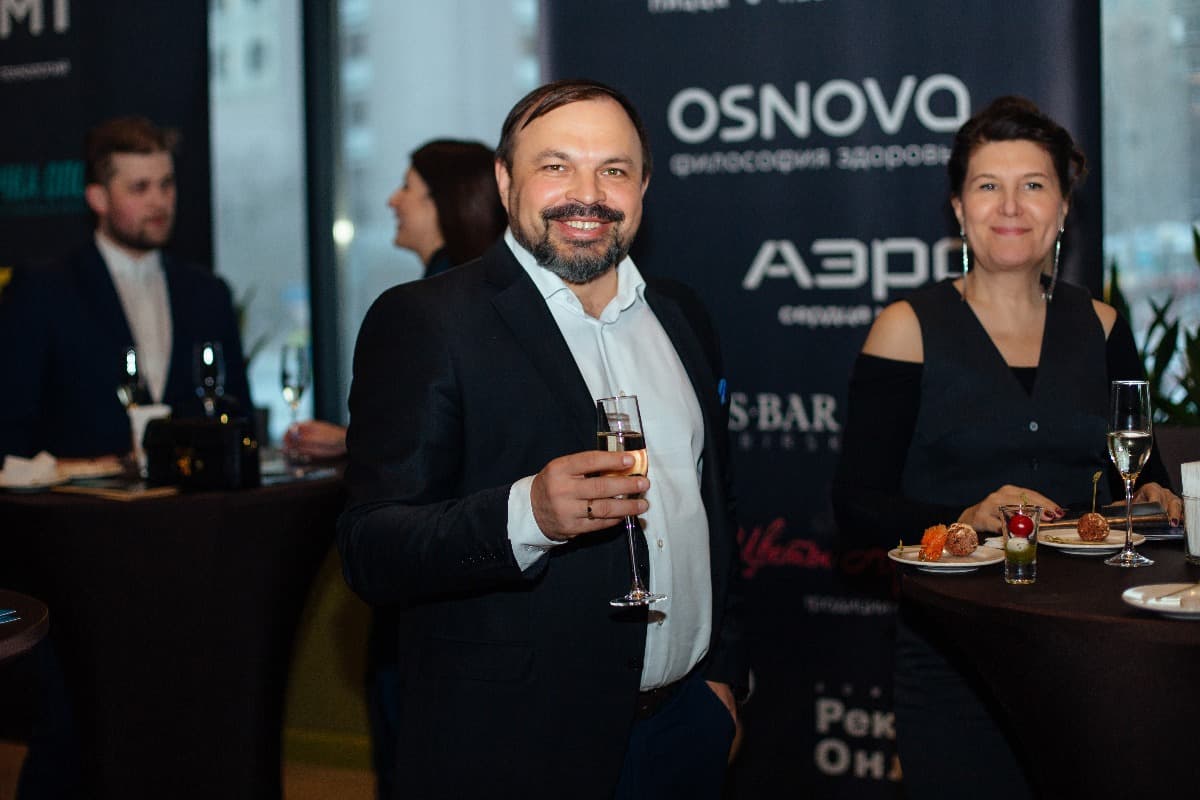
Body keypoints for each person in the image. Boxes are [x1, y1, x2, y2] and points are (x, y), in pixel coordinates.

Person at [337, 79, 747, 799]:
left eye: (613, 169)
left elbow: (714, 508)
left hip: (682, 727)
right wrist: (527, 515)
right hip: (514, 747)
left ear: (644, 187)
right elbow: (372, 548)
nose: (586, 194)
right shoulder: (427, 321)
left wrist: (723, 678)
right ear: (505, 181)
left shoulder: (682, 315)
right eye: (556, 166)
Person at [833, 95, 1182, 800]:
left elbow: (1147, 478)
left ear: (1063, 209)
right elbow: (857, 507)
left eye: (1034, 185)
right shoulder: (906, 327)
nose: (1011, 206)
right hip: (956, 659)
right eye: (989, 185)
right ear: (959, 209)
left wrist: (1156, 495)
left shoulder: (1103, 325)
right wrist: (965, 515)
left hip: (1095, 660)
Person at [0, 115, 251, 460]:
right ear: (98, 198)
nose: (159, 201)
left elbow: (239, 418)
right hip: (80, 493)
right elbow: (11, 429)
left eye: (166, 184)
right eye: (139, 188)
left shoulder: (209, 293)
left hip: (195, 494)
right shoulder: (44, 291)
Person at [282, 139, 506, 462]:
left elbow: (434, 437)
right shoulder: (490, 290)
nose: (392, 200)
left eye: (406, 187)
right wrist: (349, 440)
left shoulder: (432, 304)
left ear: (444, 201)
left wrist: (355, 440)